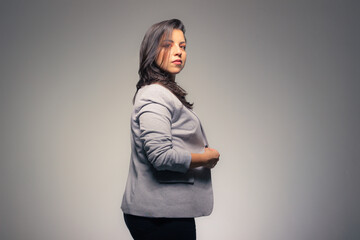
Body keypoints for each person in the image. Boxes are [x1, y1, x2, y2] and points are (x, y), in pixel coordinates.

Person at [121, 19, 220, 240]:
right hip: (160, 215)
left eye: (182, 46)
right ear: (151, 51)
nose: (178, 52)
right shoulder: (154, 95)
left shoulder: (161, 93)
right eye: (168, 45)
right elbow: (161, 157)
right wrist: (205, 158)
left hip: (164, 211)